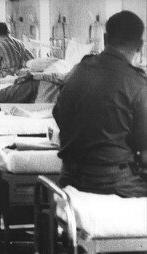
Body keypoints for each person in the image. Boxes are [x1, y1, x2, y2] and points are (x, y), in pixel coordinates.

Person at [53, 11, 147, 197]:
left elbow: (58, 115)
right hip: (113, 186)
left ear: (105, 38)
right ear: (140, 46)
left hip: (68, 179)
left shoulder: (76, 72)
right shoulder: (138, 85)